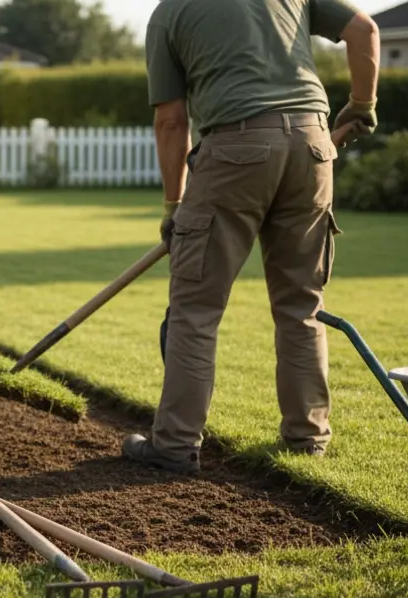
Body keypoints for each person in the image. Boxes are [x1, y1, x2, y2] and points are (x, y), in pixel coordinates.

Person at [122, 0, 380, 475]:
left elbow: (172, 120)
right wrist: (362, 105)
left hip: (234, 148)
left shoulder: (169, 14)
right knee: (301, 304)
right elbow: (364, 28)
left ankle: (175, 445)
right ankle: (307, 438)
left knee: (195, 309)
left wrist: (174, 207)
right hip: (312, 144)